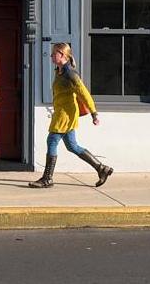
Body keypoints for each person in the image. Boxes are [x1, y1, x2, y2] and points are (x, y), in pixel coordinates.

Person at [29, 42, 114, 188]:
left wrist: (94, 113)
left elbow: (83, 92)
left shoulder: (70, 74)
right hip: (62, 113)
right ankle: (101, 168)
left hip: (65, 115)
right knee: (72, 146)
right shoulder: (60, 71)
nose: (51, 55)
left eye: (54, 53)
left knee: (52, 141)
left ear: (61, 54)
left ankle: (47, 179)